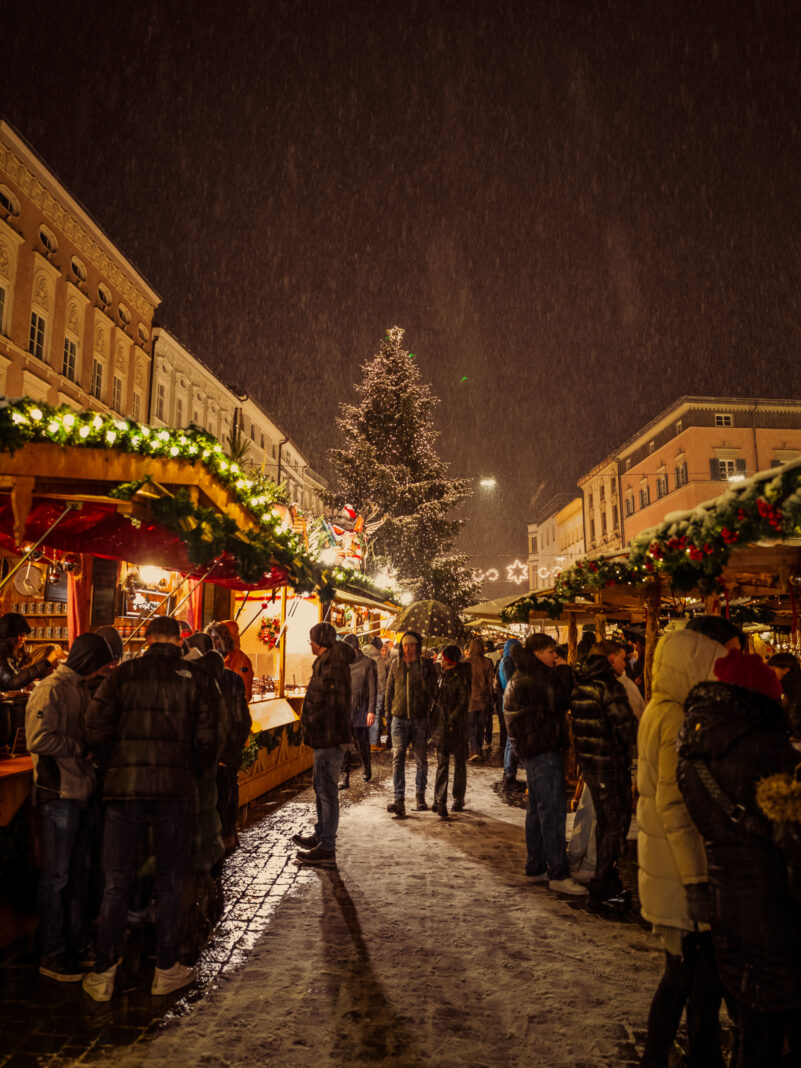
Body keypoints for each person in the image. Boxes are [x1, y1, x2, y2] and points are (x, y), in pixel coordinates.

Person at [81, 616, 219, 1001]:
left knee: (116, 880)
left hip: (123, 792)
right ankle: (165, 969)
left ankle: (104, 972)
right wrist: (186, 768)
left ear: (146, 638)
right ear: (179, 640)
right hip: (175, 791)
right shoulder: (199, 680)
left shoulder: (123, 676)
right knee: (172, 881)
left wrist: (115, 763)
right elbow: (210, 741)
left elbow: (94, 726)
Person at [678, 647, 801, 1068]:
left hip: (723, 886)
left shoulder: (695, 742)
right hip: (771, 895)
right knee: (772, 1007)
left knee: (748, 1005)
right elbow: (792, 837)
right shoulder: (767, 746)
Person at [637, 623, 737, 1068]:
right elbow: (674, 804)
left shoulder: (661, 707)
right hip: (679, 872)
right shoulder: (676, 716)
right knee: (689, 977)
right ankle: (672, 1058)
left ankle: (670, 1056)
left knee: (685, 977)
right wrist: (697, 880)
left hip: (666, 865)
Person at [25, 633, 115, 981]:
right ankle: (52, 952)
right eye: (103, 663)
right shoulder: (51, 688)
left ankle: (74, 944)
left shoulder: (78, 686)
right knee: (57, 877)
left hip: (79, 790)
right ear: (89, 661)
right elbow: (38, 739)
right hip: (59, 794)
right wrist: (80, 747)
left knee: (77, 875)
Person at [504, 634, 587, 896]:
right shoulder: (534, 676)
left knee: (537, 811)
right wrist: (563, 670)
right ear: (538, 653)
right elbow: (562, 698)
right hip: (543, 748)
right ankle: (557, 872)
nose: (556, 656)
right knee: (551, 811)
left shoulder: (527, 673)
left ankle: (536, 865)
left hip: (536, 747)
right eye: (552, 652)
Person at [568, 640, 642, 885]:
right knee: (611, 823)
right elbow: (625, 728)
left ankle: (588, 864)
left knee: (594, 814)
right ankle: (601, 876)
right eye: (623, 658)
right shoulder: (613, 687)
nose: (626, 662)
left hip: (591, 763)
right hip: (610, 763)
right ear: (611, 659)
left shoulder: (581, 684)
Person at [294, 622, 354, 866]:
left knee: (327, 791)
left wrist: (310, 719)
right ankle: (321, 835)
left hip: (330, 736)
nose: (310, 643)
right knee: (321, 788)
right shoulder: (328, 662)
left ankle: (327, 846)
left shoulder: (334, 665)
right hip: (324, 736)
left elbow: (333, 705)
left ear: (319, 641)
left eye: (311, 639)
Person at [384, 630, 437, 817]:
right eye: (406, 644)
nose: (409, 648)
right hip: (399, 718)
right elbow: (389, 689)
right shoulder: (395, 665)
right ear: (401, 646)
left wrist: (425, 675)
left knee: (421, 760)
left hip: (420, 718)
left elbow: (433, 693)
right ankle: (399, 799)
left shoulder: (426, 666)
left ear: (419, 646)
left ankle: (420, 795)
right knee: (398, 757)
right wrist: (387, 713)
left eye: (413, 644)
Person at [0, 611, 65, 750]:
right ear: (9, 637)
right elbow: (10, 683)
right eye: (20, 635)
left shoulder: (9, 657)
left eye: (24, 635)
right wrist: (46, 662)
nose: (23, 639)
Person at [430, 645, 471, 818]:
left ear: (447, 661)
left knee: (459, 764)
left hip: (457, 726)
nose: (439, 660)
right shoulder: (443, 675)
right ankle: (440, 801)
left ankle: (458, 800)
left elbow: (463, 702)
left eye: (442, 658)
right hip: (443, 724)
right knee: (442, 763)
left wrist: (450, 719)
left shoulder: (460, 677)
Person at [339, 634, 376, 788]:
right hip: (345, 709)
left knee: (362, 743)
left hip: (361, 710)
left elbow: (373, 689)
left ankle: (367, 767)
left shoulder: (369, 663)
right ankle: (344, 775)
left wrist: (371, 710)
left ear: (355, 648)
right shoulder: (342, 664)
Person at [207, 619, 254, 702]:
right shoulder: (213, 656)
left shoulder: (240, 659)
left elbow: (245, 695)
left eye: (217, 637)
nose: (213, 641)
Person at [498, 638, 521, 791]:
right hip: (510, 703)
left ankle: (509, 773)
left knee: (510, 740)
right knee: (511, 741)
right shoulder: (507, 662)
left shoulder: (506, 661)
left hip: (508, 702)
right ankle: (509, 774)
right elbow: (510, 682)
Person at [466, 637, 494, 762]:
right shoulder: (487, 662)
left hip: (470, 700)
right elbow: (490, 683)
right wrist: (489, 696)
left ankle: (474, 749)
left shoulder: (466, 663)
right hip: (483, 699)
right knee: (480, 724)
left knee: (470, 725)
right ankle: (479, 748)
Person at [363, 635, 388, 750]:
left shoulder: (362, 653)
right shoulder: (378, 659)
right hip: (376, 691)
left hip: (362, 690)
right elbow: (382, 677)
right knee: (375, 715)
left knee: (363, 715)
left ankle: (362, 741)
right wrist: (383, 693)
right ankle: (372, 743)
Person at [767, 651, 801, 737]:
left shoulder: (792, 689)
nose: (770, 673)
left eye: (773, 670)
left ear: (786, 670)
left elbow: (793, 717)